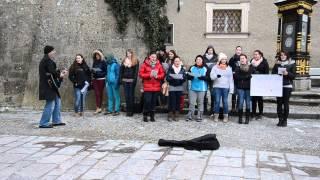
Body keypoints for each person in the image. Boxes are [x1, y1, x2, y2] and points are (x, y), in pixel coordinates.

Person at [38, 45, 67, 128]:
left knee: (57, 102)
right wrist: (60, 74)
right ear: (49, 52)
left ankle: (56, 121)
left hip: (50, 85)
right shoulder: (47, 61)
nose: (54, 52)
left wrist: (59, 73)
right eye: (53, 51)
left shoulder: (47, 60)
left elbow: (52, 72)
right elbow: (52, 72)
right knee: (50, 104)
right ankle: (43, 123)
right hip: (48, 86)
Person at [139, 52, 165, 122]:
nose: (153, 58)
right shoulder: (144, 64)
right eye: (152, 57)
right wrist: (148, 75)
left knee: (153, 102)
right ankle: (145, 114)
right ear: (149, 57)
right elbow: (141, 74)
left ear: (156, 58)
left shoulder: (159, 65)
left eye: (155, 57)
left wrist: (158, 76)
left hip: (156, 87)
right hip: (147, 87)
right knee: (147, 101)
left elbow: (162, 74)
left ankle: (152, 115)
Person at [272, 51, 296, 127]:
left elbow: (294, 76)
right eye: (281, 55)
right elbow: (273, 73)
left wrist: (287, 73)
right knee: (279, 104)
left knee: (285, 103)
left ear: (287, 56)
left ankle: (285, 120)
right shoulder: (277, 64)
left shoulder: (291, 63)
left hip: (287, 86)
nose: (282, 56)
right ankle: (280, 119)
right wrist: (277, 74)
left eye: (284, 55)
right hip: (278, 86)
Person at [210, 53, 234, 122]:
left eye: (225, 59)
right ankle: (216, 115)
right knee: (217, 101)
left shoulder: (229, 68)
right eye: (223, 59)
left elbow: (231, 79)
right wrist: (216, 76)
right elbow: (212, 77)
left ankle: (225, 116)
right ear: (220, 60)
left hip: (225, 87)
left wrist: (231, 89)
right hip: (217, 86)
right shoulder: (215, 67)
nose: (224, 61)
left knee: (225, 102)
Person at [186, 55, 210, 122]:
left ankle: (199, 116)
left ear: (202, 61)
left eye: (199, 59)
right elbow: (187, 76)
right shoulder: (192, 67)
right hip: (192, 88)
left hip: (202, 88)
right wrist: (191, 77)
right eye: (197, 59)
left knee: (200, 102)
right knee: (191, 102)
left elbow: (209, 78)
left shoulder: (205, 68)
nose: (198, 61)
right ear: (195, 61)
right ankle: (190, 115)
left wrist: (202, 77)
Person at [234, 54, 254, 124]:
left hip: (248, 88)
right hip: (240, 88)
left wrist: (244, 77)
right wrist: (246, 77)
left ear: (246, 59)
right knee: (240, 103)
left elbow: (252, 76)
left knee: (248, 103)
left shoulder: (251, 67)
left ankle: (247, 118)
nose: (242, 59)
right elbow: (236, 77)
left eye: (243, 58)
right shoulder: (237, 67)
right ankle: (240, 118)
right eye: (240, 58)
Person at [250, 50, 269, 120]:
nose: (255, 56)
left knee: (260, 99)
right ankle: (253, 113)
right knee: (254, 99)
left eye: (257, 54)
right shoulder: (251, 62)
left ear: (260, 55)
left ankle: (260, 113)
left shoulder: (264, 62)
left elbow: (267, 73)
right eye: (254, 54)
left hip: (261, 83)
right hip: (253, 82)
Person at [120, 49, 139, 117]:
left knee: (131, 96)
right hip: (125, 80)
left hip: (131, 80)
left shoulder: (135, 61)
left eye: (130, 53)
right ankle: (128, 111)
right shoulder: (124, 61)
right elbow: (121, 71)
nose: (128, 55)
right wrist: (121, 79)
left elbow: (136, 72)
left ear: (132, 54)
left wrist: (134, 80)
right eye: (127, 53)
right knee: (126, 96)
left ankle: (131, 111)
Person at [166, 56, 186, 121]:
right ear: (173, 62)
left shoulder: (183, 69)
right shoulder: (170, 68)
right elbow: (167, 78)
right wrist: (173, 78)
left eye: (178, 61)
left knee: (178, 101)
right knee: (172, 100)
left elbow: (185, 78)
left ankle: (176, 114)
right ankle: (170, 114)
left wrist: (181, 79)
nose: (177, 62)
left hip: (179, 86)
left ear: (180, 62)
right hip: (172, 86)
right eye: (175, 61)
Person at [203, 45, 218, 115]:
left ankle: (212, 109)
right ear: (207, 50)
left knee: (212, 93)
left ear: (213, 51)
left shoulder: (216, 57)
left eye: (211, 50)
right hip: (205, 76)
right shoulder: (203, 57)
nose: (210, 51)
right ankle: (205, 108)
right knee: (204, 93)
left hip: (212, 77)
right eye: (209, 50)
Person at [91, 49, 107, 114]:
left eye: (98, 54)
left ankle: (99, 107)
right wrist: (93, 71)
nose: (97, 56)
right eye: (96, 55)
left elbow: (105, 72)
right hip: (95, 79)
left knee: (100, 93)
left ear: (100, 55)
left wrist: (98, 73)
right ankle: (98, 107)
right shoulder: (94, 62)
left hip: (101, 79)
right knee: (97, 93)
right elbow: (93, 69)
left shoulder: (103, 62)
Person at [229, 46, 242, 113]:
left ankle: (238, 107)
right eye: (237, 50)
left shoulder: (243, 58)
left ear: (241, 51)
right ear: (235, 50)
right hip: (233, 79)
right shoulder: (232, 59)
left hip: (241, 79)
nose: (238, 51)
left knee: (240, 94)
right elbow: (229, 68)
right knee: (234, 93)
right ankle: (233, 107)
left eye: (240, 50)